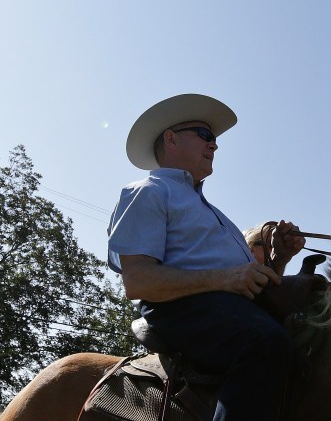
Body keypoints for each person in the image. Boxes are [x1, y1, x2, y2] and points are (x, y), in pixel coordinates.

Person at [107, 93, 305, 421]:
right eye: (205, 136)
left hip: (228, 307)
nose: (214, 146)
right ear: (170, 138)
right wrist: (227, 279)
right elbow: (138, 280)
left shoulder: (215, 213)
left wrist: (277, 260)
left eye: (214, 140)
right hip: (179, 309)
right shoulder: (148, 191)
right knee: (264, 342)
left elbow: (246, 284)